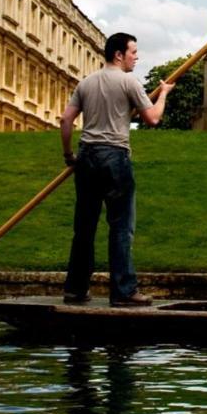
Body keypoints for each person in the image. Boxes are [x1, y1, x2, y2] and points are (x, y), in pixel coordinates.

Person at [60, 32, 172, 307]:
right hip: (115, 157)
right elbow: (153, 118)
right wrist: (164, 94)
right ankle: (123, 292)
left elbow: (65, 120)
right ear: (119, 54)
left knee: (84, 227)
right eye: (133, 51)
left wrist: (68, 154)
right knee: (121, 227)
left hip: (86, 156)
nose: (137, 56)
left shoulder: (86, 83)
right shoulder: (128, 82)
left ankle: (75, 290)